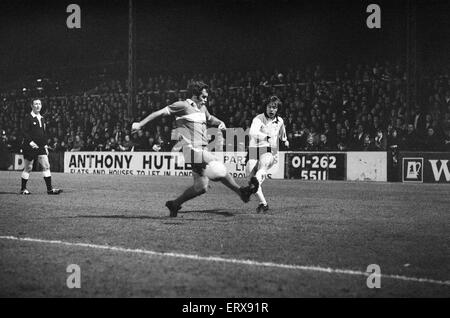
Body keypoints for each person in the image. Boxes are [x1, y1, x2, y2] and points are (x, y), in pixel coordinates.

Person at [131, 81, 258, 217]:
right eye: (203, 96)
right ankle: (241, 192)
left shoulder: (202, 108)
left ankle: (174, 204)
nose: (206, 98)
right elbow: (159, 113)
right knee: (215, 164)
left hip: (202, 149)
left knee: (201, 187)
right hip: (190, 149)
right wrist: (140, 124)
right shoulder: (182, 106)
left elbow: (210, 119)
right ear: (195, 95)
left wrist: (220, 122)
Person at [245, 96, 289, 213]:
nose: (271, 110)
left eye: (274, 107)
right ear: (265, 107)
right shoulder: (258, 119)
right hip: (254, 149)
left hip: (269, 149)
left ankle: (255, 183)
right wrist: (267, 137)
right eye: (269, 107)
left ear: (277, 109)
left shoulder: (280, 121)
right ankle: (263, 203)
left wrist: (285, 141)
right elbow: (252, 132)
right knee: (250, 176)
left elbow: (283, 136)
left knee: (262, 167)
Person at [20, 99, 62, 195]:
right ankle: (23, 189)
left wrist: (45, 145)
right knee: (28, 168)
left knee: (46, 166)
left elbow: (43, 133)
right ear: (32, 106)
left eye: (39, 104)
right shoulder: (28, 118)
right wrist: (30, 142)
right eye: (36, 104)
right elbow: (24, 132)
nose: (38, 106)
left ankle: (50, 189)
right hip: (29, 146)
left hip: (41, 146)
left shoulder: (42, 118)